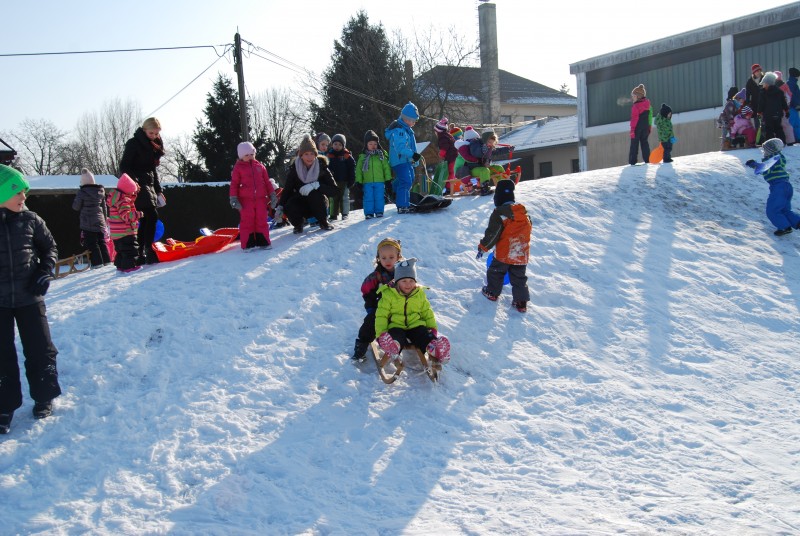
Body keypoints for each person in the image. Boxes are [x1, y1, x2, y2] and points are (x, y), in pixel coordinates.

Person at [0, 164, 61, 433]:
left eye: (24, 191)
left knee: (40, 348)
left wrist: (44, 271)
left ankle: (44, 396)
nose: (23, 197)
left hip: (29, 296)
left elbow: (50, 248)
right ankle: (4, 406)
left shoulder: (31, 220)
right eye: (17, 192)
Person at [375, 258, 451, 364]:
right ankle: (393, 346)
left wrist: (432, 328)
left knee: (423, 335)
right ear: (397, 282)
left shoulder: (419, 294)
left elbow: (427, 312)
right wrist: (381, 334)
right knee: (396, 336)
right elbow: (381, 316)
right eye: (404, 281)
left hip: (415, 324)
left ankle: (435, 348)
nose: (408, 284)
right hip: (396, 325)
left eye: (411, 281)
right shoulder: (389, 295)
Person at [476, 179, 532, 313]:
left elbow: (493, 233)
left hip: (504, 253)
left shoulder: (499, 213)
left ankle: (492, 292)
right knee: (519, 278)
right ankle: (521, 302)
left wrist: (483, 247)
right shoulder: (524, 214)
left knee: (495, 272)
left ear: (498, 198)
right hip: (521, 253)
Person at [120, 117, 166, 265]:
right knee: (151, 215)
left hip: (149, 184)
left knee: (145, 219)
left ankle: (140, 253)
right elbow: (124, 166)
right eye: (151, 133)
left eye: (156, 134)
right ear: (144, 130)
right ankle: (148, 250)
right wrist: (134, 182)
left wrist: (158, 190)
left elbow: (153, 170)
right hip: (137, 185)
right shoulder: (133, 143)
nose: (154, 136)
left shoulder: (153, 146)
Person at [351, 237, 403, 362]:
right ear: (378, 258)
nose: (387, 260)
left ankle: (424, 342)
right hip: (381, 309)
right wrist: (371, 307)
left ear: (398, 257)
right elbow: (366, 291)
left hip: (401, 309)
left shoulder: (404, 273)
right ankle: (361, 346)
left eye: (391, 257)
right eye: (383, 258)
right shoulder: (376, 276)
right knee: (370, 322)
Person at [275, 134, 338, 233]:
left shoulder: (322, 166)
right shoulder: (294, 169)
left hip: (318, 203)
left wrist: (317, 185)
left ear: (316, 154)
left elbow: (334, 190)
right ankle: (298, 225)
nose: (309, 157)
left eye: (312, 154)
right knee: (290, 204)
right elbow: (287, 190)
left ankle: (323, 221)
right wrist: (280, 206)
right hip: (301, 202)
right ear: (301, 155)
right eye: (306, 154)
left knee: (314, 194)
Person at [745, 138, 800, 236]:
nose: (764, 152)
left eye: (765, 150)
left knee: (772, 210)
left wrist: (754, 164)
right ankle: (797, 222)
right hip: (786, 186)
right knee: (784, 210)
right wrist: (756, 165)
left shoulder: (773, 159)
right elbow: (766, 168)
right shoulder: (778, 158)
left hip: (778, 187)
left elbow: (765, 168)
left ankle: (784, 227)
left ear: (771, 150)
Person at [230, 141, 276, 251]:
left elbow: (267, 182)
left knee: (262, 220)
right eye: (247, 155)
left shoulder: (260, 167)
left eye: (252, 154)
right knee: (247, 221)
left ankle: (263, 242)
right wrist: (234, 198)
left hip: (261, 199)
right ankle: (248, 244)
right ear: (241, 156)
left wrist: (272, 194)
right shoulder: (238, 168)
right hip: (245, 200)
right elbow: (234, 184)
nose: (250, 157)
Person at [385, 102, 420, 214]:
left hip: (406, 160)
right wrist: (412, 155)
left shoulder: (407, 130)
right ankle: (402, 205)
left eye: (414, 121)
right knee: (406, 181)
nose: (413, 123)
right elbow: (400, 148)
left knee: (410, 178)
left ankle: (393, 191)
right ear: (405, 119)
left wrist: (414, 159)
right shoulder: (399, 130)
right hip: (399, 160)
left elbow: (411, 146)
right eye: (412, 121)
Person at [72, 167, 111, 267]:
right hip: (100, 220)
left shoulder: (82, 192)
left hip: (87, 221)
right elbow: (104, 207)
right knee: (102, 241)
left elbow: (76, 207)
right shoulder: (100, 191)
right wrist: (104, 219)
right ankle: (107, 261)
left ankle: (97, 263)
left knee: (92, 243)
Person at [107, 173, 143, 272]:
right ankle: (129, 266)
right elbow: (126, 216)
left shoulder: (115, 199)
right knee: (130, 250)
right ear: (128, 190)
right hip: (125, 232)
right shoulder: (123, 201)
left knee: (120, 251)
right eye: (132, 191)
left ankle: (120, 266)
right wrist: (138, 214)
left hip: (116, 233)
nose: (133, 193)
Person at [355, 130, 392, 219]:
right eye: (370, 144)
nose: (373, 146)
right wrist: (359, 181)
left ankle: (379, 211)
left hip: (380, 181)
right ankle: (369, 212)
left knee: (379, 197)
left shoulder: (381, 156)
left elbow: (386, 168)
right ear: (366, 145)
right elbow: (359, 170)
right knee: (368, 198)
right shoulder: (362, 157)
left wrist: (388, 180)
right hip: (367, 181)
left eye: (375, 144)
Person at [467, 129, 514, 195]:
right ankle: (484, 189)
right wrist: (483, 150)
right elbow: (476, 152)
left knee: (498, 168)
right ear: (485, 139)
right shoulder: (475, 143)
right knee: (484, 170)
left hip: (484, 168)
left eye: (492, 142)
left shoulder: (489, 147)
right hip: (473, 169)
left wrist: (508, 149)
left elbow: (496, 151)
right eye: (489, 142)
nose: (491, 144)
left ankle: (503, 186)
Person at [326, 134, 355, 220]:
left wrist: (351, 179)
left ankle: (345, 213)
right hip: (333, 181)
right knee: (333, 198)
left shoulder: (346, 155)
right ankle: (333, 214)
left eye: (339, 145)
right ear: (332, 145)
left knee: (344, 197)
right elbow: (326, 168)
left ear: (343, 146)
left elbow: (352, 168)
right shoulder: (329, 155)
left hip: (344, 180)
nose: (337, 146)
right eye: (335, 144)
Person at [758, 72, 789, 144]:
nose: (763, 85)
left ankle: (770, 143)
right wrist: (786, 111)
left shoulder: (763, 93)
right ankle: (782, 142)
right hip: (778, 114)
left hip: (768, 114)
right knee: (778, 128)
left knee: (769, 129)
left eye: (764, 84)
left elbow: (761, 104)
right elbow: (783, 102)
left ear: (767, 84)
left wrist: (759, 112)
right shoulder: (779, 91)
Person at [629, 84, 652, 165]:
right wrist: (649, 126)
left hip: (637, 128)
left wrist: (632, 130)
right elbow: (649, 116)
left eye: (633, 96)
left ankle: (632, 161)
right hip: (645, 127)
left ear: (638, 96)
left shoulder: (635, 106)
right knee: (644, 143)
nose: (632, 98)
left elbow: (634, 119)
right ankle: (648, 159)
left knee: (634, 144)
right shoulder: (647, 104)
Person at [774, 71, 796, 145]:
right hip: (784, 108)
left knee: (781, 125)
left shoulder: (774, 86)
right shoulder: (785, 85)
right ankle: (790, 140)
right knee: (786, 124)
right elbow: (789, 96)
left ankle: (784, 141)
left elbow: (788, 96)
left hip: (779, 109)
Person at [434, 117, 458, 183]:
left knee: (450, 172)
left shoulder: (442, 138)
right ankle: (451, 185)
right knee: (452, 171)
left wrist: (441, 155)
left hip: (451, 157)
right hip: (454, 156)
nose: (435, 133)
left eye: (435, 131)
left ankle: (450, 186)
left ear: (438, 131)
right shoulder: (448, 135)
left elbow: (444, 147)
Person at [746, 64, 764, 140]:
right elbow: (747, 94)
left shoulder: (764, 78)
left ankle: (767, 138)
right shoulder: (750, 81)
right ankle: (760, 140)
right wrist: (748, 103)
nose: (758, 72)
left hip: (765, 105)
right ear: (754, 72)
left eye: (759, 70)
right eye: (756, 71)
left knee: (765, 123)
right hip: (755, 106)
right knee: (757, 124)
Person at [788, 67, 800, 141]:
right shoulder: (792, 84)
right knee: (794, 123)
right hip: (792, 107)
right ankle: (794, 138)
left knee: (795, 123)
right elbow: (792, 96)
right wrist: (797, 104)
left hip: (793, 106)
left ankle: (796, 138)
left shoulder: (791, 83)